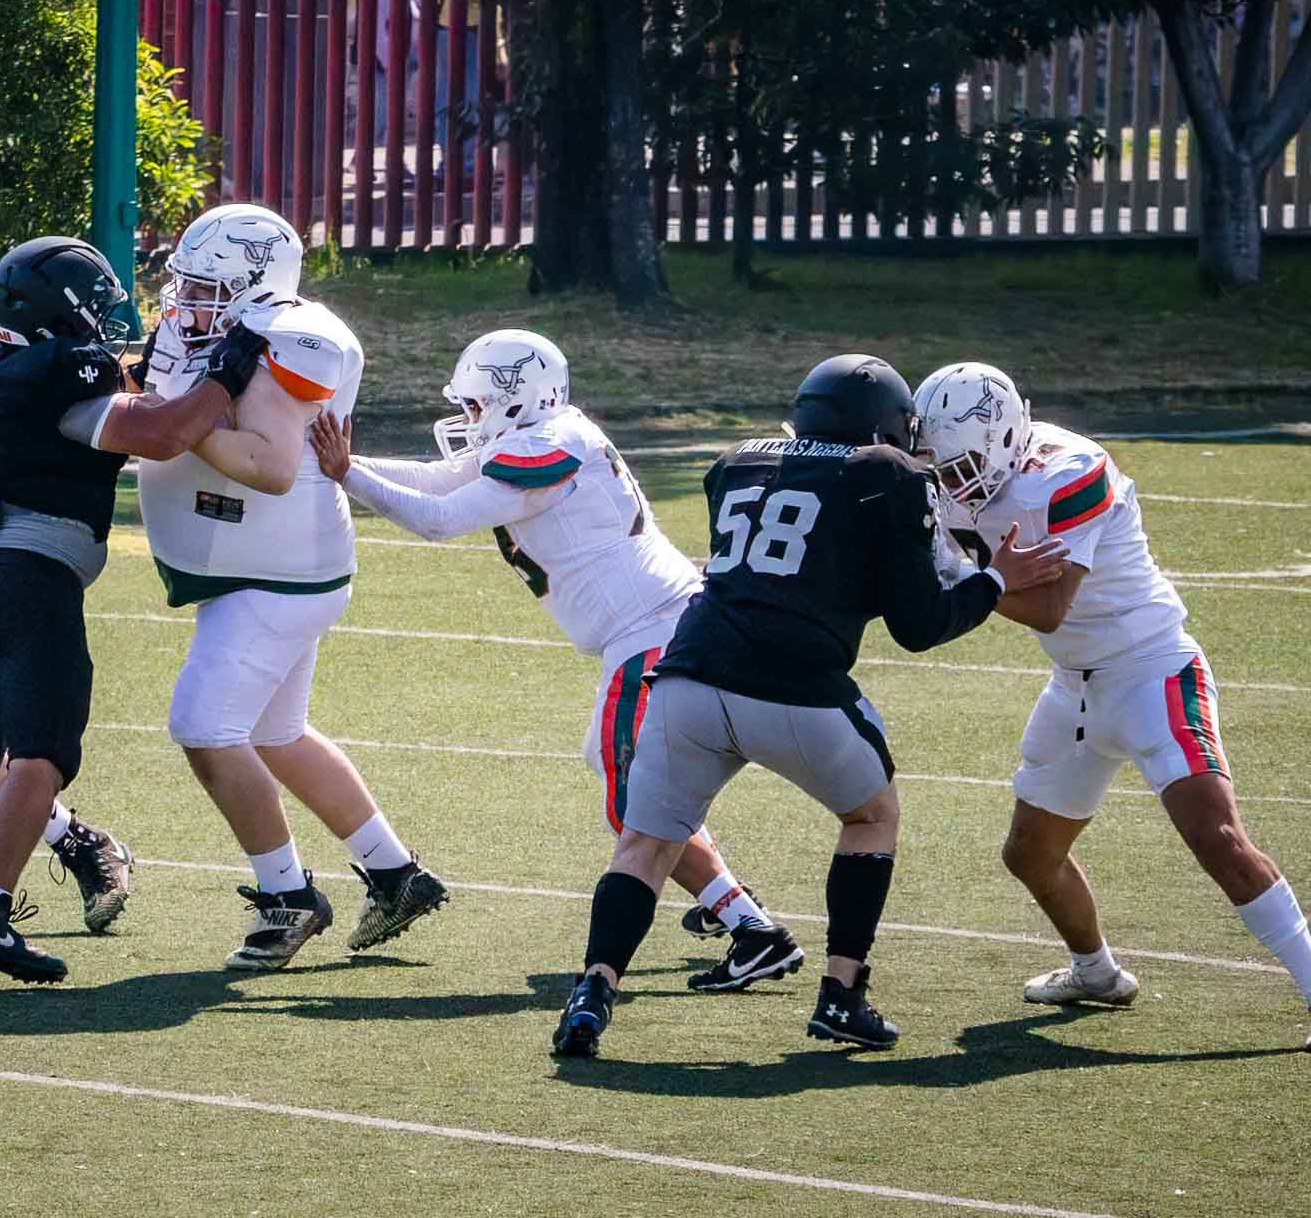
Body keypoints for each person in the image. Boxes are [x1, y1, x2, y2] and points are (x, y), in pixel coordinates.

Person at [551, 354, 1070, 1058]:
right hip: (793, 688)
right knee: (872, 817)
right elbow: (918, 626)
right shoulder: (889, 473)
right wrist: (992, 582)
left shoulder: (736, 462)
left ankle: (591, 995)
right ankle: (841, 995)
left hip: (689, 676)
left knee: (644, 845)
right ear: (885, 427)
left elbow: (796, 561)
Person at [310, 328, 797, 991]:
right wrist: (337, 458)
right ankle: (726, 902)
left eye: (476, 404)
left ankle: (751, 928)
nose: (469, 418)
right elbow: (439, 478)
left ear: (517, 398)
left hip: (653, 633)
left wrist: (345, 472)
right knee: (631, 779)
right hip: (652, 630)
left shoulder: (548, 446)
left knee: (637, 806)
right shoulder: (546, 433)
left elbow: (438, 519)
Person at [0, 237, 252, 983]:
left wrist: (156, 364)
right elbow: (164, 434)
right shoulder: (63, 374)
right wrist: (228, 370)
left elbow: (98, 394)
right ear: (60, 315)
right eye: (94, 308)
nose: (105, 321)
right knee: (38, 758)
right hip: (27, 585)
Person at [917, 362, 1311, 1039]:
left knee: (1217, 838)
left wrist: (965, 579)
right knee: (1029, 855)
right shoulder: (951, 477)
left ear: (1005, 438)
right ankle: (1095, 971)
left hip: (1152, 670)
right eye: (942, 467)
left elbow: (1049, 607)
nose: (954, 483)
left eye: (964, 466)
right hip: (1074, 683)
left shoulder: (1069, 469)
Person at [140, 202, 447, 970]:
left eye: (205, 287)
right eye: (187, 284)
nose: (188, 301)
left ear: (254, 283)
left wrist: (171, 421)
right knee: (277, 735)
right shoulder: (223, 332)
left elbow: (272, 467)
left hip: (277, 573)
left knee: (206, 727)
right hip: (258, 566)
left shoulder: (290, 338)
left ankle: (287, 895)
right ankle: (396, 874)